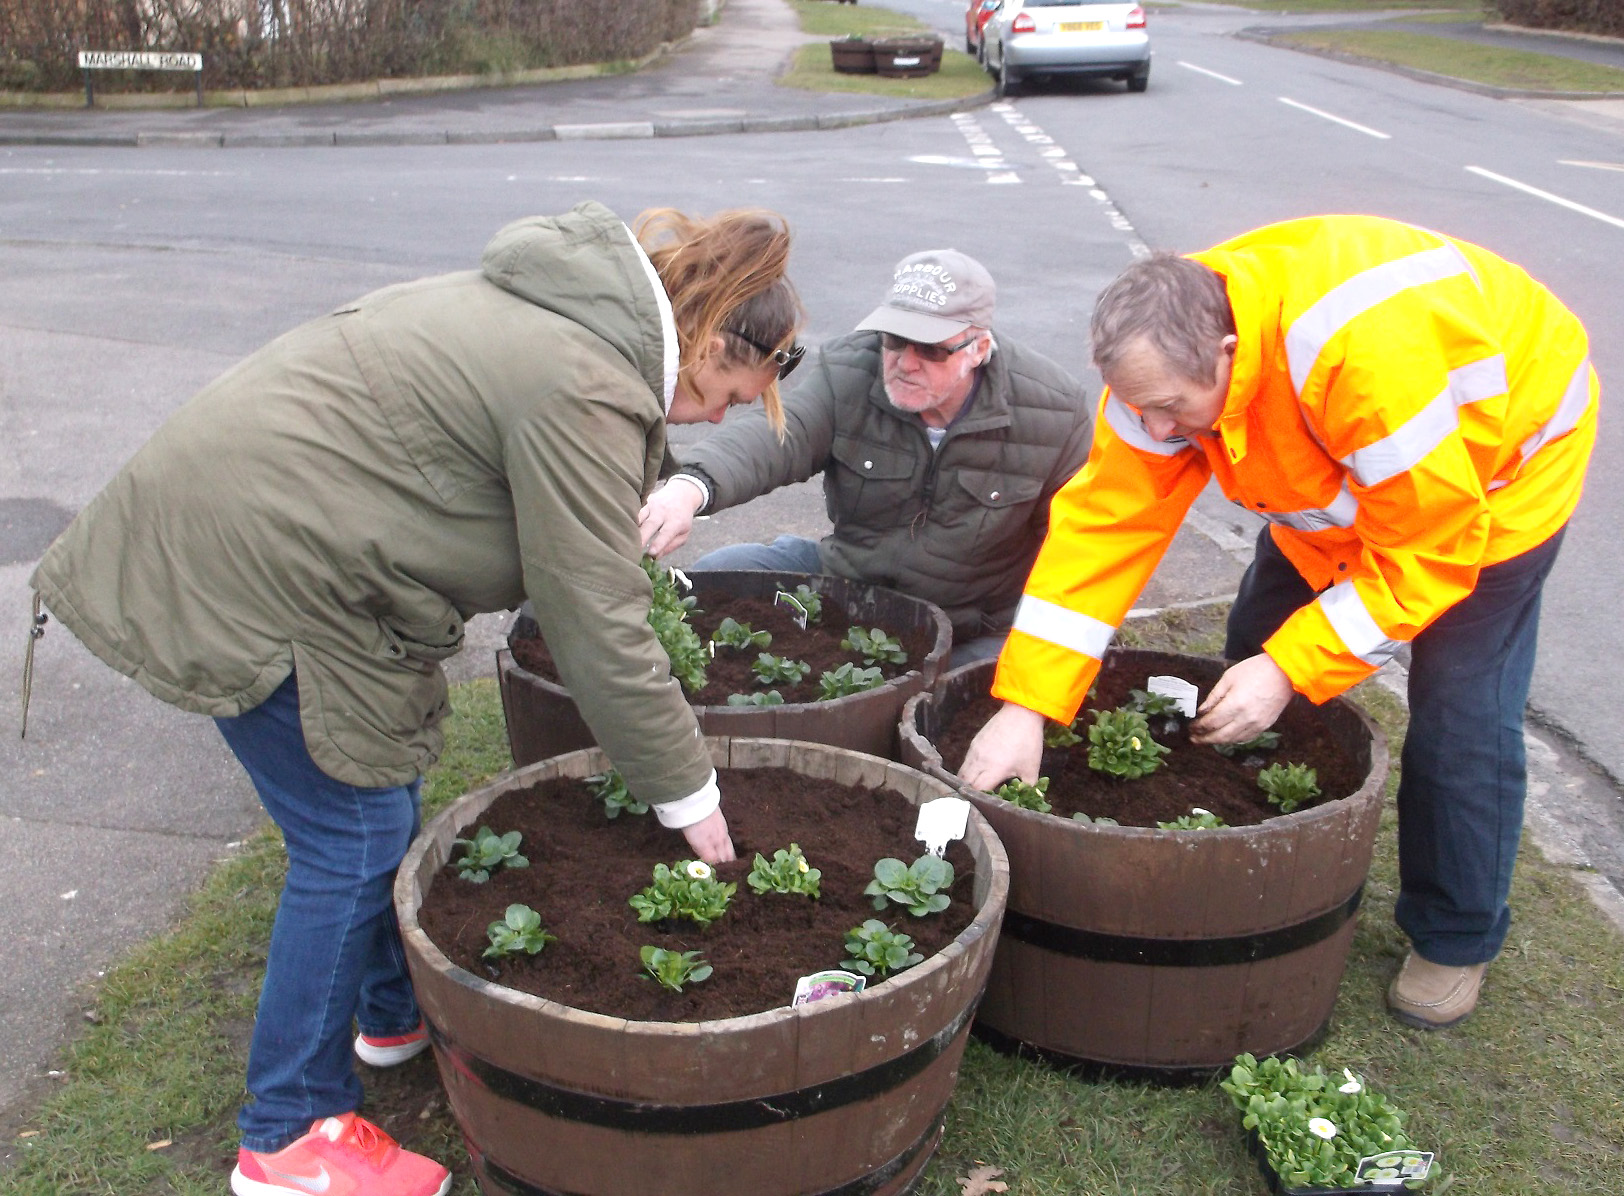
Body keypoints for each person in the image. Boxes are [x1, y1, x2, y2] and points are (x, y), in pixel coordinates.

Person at [27, 200, 802, 1196]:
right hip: (256, 567)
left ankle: (393, 1015)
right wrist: (689, 794)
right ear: (705, 338)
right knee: (347, 836)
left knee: (374, 799)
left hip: (279, 538)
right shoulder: (583, 377)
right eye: (734, 392)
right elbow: (594, 616)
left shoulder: (571, 323)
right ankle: (288, 1135)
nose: (725, 416)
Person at [961, 214, 1598, 1031]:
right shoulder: (1162, 356)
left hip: (1496, 478)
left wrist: (1292, 667)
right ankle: (1258, 826)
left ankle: (1455, 934)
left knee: (1461, 714)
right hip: (1339, 480)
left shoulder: (1367, 362)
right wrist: (1027, 707)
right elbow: (1105, 532)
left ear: (1227, 356)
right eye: (1138, 409)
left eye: (1169, 410)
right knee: (1258, 634)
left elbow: (1427, 549)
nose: (1157, 431)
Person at [638, 249, 1093, 664]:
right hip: (852, 584)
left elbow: (1081, 553)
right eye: (894, 339)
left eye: (931, 349)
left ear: (978, 347)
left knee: (958, 701)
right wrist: (689, 487)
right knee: (718, 575)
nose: (905, 361)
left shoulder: (1051, 412)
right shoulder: (852, 369)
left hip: (971, 623)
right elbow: (781, 434)